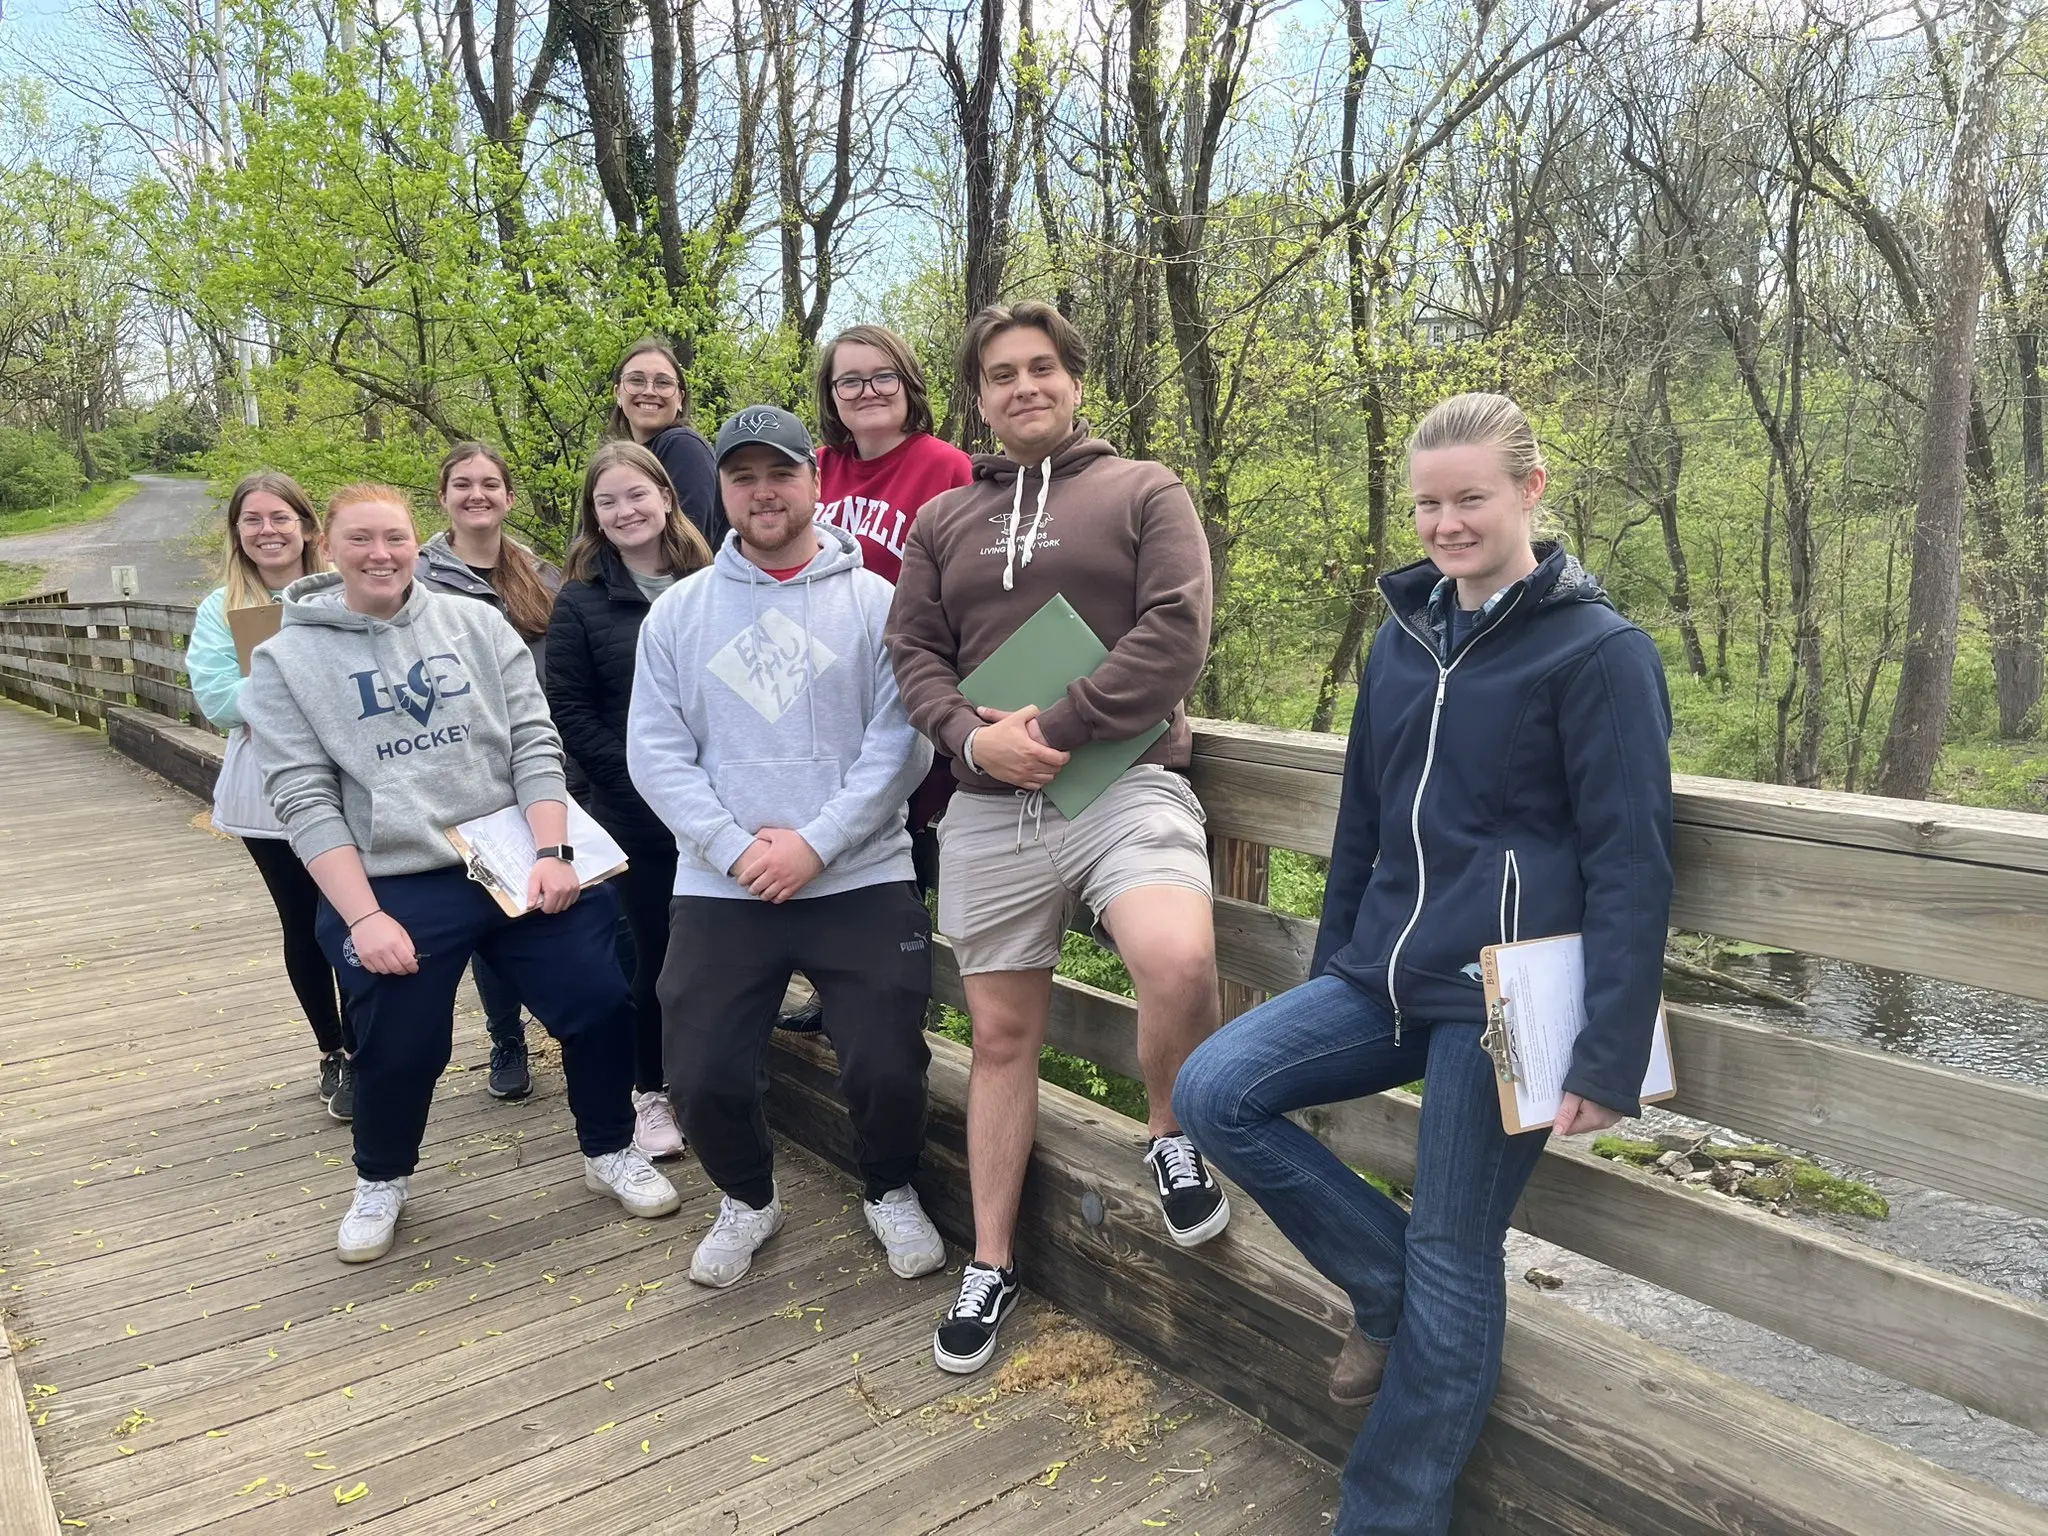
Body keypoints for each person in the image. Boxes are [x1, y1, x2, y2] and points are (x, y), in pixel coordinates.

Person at [1171, 393, 1675, 1536]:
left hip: (1505, 998)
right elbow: (1363, 816)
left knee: (1457, 1253)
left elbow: (1632, 864)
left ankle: (1385, 1514)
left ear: (1529, 493)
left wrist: (1604, 1048)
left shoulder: (1598, 653)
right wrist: (1337, 953)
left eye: (1470, 499)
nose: (1445, 523)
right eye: (1428, 503)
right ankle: (1385, 1288)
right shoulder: (1402, 638)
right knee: (1213, 1090)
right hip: (1382, 974)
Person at [886, 301, 1230, 1376]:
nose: (1023, 386)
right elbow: (912, 652)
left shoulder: (1143, 490)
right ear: (978, 397)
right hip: (988, 804)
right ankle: (988, 1263)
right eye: (1000, 374)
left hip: (1122, 776)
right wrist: (967, 742)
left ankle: (1171, 1132)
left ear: (1074, 380)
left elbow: (1175, 631)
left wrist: (1059, 728)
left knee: (1174, 957)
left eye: (1041, 368)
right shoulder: (944, 522)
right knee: (999, 1039)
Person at [243, 484, 680, 1264]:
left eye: (395, 538)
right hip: (394, 874)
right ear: (327, 545)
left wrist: (552, 855)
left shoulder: (477, 625)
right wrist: (363, 917)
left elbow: (534, 745)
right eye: (361, 540)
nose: (380, 555)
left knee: (600, 995)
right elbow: (303, 797)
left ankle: (609, 1146)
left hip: (513, 849)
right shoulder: (285, 657)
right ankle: (382, 1176)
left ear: (419, 542)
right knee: (400, 1038)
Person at [628, 405, 942, 1290]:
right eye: (742, 477)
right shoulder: (680, 615)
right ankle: (749, 1197)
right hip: (725, 882)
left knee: (887, 1064)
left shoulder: (879, 603)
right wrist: (733, 849)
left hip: (860, 871)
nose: (762, 492)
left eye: (780, 473)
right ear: (721, 493)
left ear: (815, 478)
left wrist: (816, 843)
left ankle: (888, 1188)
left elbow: (902, 742)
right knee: (699, 1072)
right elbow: (654, 751)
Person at [773, 324, 975, 1036]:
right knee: (833, 831)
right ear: (831, 395)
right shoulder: (814, 468)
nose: (866, 392)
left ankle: (893, 1014)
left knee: (905, 838)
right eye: (848, 380)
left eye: (881, 376)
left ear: (908, 383)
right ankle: (834, 991)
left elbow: (976, 584)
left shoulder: (948, 468)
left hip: (915, 690)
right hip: (822, 692)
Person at [546, 442, 713, 1160]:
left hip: (719, 814)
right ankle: (651, 1095)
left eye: (637, 495)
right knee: (655, 959)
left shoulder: (713, 583)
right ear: (594, 514)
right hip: (637, 818)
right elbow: (571, 710)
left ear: (667, 498)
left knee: (719, 959)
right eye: (608, 501)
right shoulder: (581, 601)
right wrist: (647, 781)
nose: (625, 511)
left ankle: (716, 1084)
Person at [187, 472, 357, 1119]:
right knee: (306, 922)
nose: (267, 531)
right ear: (237, 533)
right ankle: (333, 1050)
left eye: (280, 517)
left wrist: (278, 690)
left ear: (308, 526)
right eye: (252, 520)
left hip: (349, 782)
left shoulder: (343, 594)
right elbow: (218, 697)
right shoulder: (221, 607)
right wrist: (306, 691)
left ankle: (368, 1048)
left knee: (350, 917)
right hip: (266, 790)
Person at [415, 442, 560, 1102]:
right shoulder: (416, 576)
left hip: (538, 764)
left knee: (541, 900)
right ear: (443, 495)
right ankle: (506, 1035)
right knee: (486, 909)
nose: (478, 494)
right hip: (460, 771)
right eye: (463, 484)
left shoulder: (538, 574)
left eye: (491, 484)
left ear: (508, 497)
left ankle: (561, 1022)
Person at [606, 336, 724, 553]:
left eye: (662, 382)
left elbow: (688, 551)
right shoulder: (618, 463)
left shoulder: (683, 448)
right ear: (618, 394)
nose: (649, 391)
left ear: (680, 398)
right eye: (636, 380)